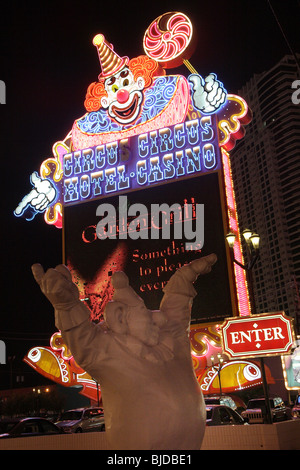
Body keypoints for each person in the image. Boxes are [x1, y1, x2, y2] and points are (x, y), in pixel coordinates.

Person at [32, 253, 217, 450]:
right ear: (121, 319)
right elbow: (81, 336)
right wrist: (65, 304)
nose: (156, 318)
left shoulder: (169, 339)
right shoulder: (108, 351)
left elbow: (176, 307)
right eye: (144, 313)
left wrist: (185, 275)